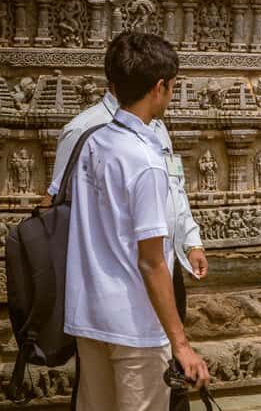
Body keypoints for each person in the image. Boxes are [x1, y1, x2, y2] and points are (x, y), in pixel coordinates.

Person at [64, 32, 209, 410]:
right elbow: (150, 260)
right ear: (159, 87)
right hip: (134, 325)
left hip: (90, 314)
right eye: (172, 86)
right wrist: (181, 343)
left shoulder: (93, 143)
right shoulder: (144, 160)